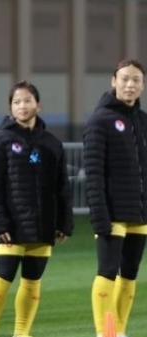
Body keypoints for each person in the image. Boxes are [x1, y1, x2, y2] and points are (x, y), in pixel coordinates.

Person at [0, 80, 74, 337]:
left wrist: (65, 222)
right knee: (2, 278)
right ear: (11, 108)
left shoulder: (52, 144)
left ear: (38, 105)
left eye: (27, 100)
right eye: (17, 102)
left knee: (32, 281)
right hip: (11, 227)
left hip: (43, 224)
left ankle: (22, 333)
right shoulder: (1, 141)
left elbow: (62, 186)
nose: (22, 105)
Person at [83, 59, 147, 337]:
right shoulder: (100, 119)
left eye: (136, 80)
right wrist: (100, 215)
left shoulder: (142, 121)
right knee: (108, 271)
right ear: (113, 81)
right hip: (112, 212)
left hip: (140, 212)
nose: (130, 85)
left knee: (130, 274)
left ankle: (118, 332)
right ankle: (104, 333)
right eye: (125, 79)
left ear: (142, 86)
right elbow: (93, 172)